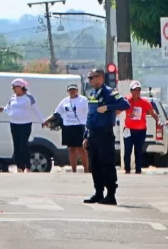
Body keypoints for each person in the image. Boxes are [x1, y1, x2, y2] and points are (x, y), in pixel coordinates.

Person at [83, 68, 129, 205]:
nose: (90, 80)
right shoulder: (92, 93)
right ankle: (98, 193)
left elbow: (125, 104)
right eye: (89, 77)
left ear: (101, 78)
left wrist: (108, 107)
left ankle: (110, 195)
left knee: (106, 164)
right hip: (93, 134)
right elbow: (90, 115)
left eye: (92, 77)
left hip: (104, 132)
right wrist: (86, 135)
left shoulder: (110, 92)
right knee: (94, 165)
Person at [0, 79, 43, 172]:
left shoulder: (29, 97)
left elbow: (36, 110)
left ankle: (27, 166)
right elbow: (9, 109)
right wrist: (3, 109)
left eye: (14, 87)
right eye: (12, 88)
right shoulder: (12, 98)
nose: (13, 89)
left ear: (21, 87)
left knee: (23, 145)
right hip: (14, 124)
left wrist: (43, 121)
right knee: (16, 145)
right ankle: (19, 166)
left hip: (25, 124)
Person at [44, 83, 88, 173]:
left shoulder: (83, 100)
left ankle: (86, 170)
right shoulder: (65, 101)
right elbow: (56, 113)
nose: (72, 91)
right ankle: (74, 170)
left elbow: (89, 113)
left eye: (74, 89)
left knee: (81, 149)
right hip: (68, 127)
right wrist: (46, 121)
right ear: (68, 91)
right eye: (70, 90)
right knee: (71, 149)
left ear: (77, 90)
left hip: (79, 126)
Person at [123, 81, 161, 174]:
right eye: (135, 90)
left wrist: (158, 120)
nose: (137, 92)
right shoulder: (126, 101)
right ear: (131, 91)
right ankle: (127, 170)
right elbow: (118, 110)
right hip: (128, 130)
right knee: (127, 151)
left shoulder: (145, 102)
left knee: (138, 151)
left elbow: (153, 113)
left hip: (140, 131)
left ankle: (138, 170)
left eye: (139, 90)